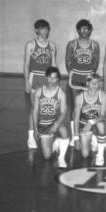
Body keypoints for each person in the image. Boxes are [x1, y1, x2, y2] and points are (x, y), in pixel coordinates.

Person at [65, 19, 100, 146]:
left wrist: (91, 76)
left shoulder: (94, 45)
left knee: (90, 106)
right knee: (75, 107)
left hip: (88, 78)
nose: (84, 31)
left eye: (87, 28)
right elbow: (67, 60)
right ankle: (74, 136)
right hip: (76, 77)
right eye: (82, 29)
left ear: (90, 30)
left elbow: (96, 62)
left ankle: (91, 133)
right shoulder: (72, 44)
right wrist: (71, 73)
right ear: (78, 30)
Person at [24, 19, 56, 149]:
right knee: (34, 108)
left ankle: (48, 134)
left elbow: (53, 64)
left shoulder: (52, 45)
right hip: (35, 77)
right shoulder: (30, 45)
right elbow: (26, 64)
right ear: (36, 30)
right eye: (42, 29)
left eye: (47, 28)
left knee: (49, 107)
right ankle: (31, 137)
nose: (45, 31)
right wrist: (26, 81)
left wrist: (55, 79)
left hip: (48, 78)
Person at [32, 67, 69, 168]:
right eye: (49, 77)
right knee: (47, 157)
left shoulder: (61, 94)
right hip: (43, 125)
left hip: (54, 122)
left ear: (58, 79)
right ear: (46, 77)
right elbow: (35, 111)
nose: (51, 80)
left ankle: (61, 157)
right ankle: (56, 142)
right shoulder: (39, 92)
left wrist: (56, 124)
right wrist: (35, 129)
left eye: (54, 78)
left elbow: (63, 113)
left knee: (64, 130)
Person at [73, 73, 106, 166]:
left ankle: (100, 156)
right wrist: (75, 138)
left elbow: (103, 115)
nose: (95, 85)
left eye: (97, 83)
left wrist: (91, 122)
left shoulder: (103, 95)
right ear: (87, 83)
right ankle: (92, 138)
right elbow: (76, 118)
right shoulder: (79, 97)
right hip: (84, 123)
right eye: (93, 83)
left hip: (96, 122)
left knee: (100, 125)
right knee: (85, 154)